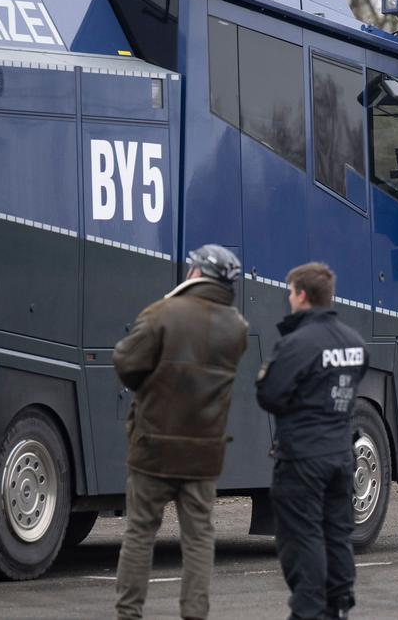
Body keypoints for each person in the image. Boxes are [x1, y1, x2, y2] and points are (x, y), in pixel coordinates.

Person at [113, 245, 249, 620]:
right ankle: (194, 614)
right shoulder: (237, 328)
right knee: (199, 537)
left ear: (198, 273)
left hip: (153, 447)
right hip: (203, 453)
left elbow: (126, 364)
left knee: (140, 532)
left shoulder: (161, 314)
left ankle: (128, 613)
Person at [256, 262, 369, 620]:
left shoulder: (297, 344)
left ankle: (308, 612)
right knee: (336, 534)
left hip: (302, 458)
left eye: (290, 292)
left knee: (301, 538)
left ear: (302, 295)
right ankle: (338, 603)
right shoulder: (354, 342)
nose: (289, 299)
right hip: (340, 454)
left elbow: (270, 395)